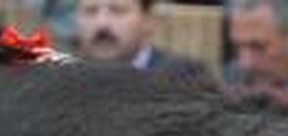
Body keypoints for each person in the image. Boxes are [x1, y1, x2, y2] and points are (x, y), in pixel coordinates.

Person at [75, 0, 208, 81]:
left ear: (148, 20)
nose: (102, 23)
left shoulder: (187, 80)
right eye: (90, 11)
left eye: (117, 11)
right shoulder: (62, 80)